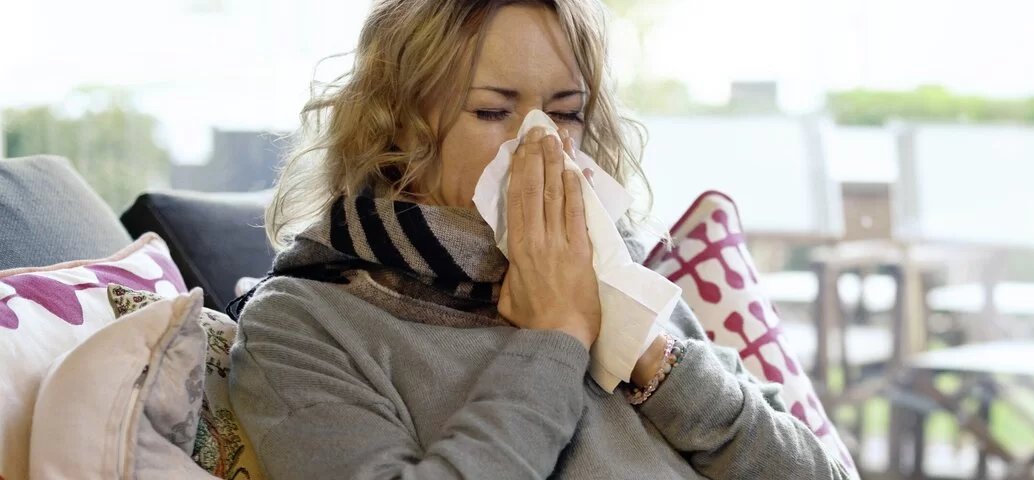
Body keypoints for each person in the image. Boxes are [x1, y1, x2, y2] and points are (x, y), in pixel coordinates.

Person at [227, 0, 851, 478]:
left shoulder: (612, 266)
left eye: (565, 112)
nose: (542, 143)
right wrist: (554, 340)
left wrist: (650, 352)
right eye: (494, 111)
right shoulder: (305, 322)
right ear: (401, 129)